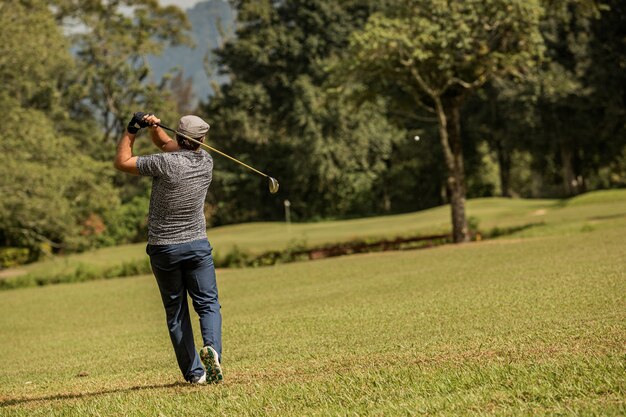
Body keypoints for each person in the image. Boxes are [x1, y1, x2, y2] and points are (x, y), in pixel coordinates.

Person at [114, 112, 223, 384]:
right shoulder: (206, 161)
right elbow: (166, 145)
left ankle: (195, 374)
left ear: (179, 136)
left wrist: (132, 129)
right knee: (208, 304)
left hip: (165, 249)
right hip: (197, 246)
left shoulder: (164, 164)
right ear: (202, 140)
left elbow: (122, 162)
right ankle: (213, 351)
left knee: (176, 312)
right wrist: (154, 128)